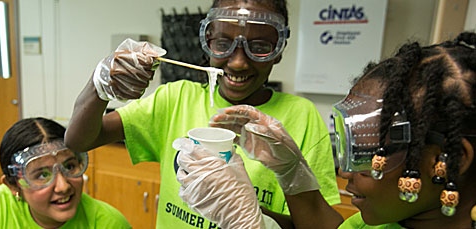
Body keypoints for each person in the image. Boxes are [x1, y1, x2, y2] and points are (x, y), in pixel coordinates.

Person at [65, 0, 341, 228]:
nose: (238, 61)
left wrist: (250, 218)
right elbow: (78, 141)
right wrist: (99, 84)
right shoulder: (174, 99)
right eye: (223, 43)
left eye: (259, 48)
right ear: (207, 40)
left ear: (278, 50)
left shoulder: (300, 116)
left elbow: (318, 224)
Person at [175, 31, 476, 228]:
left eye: (370, 156)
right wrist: (293, 174)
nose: (345, 173)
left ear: (450, 160)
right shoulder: (372, 222)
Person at [0, 118, 131, 228]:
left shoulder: (109, 223)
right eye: (42, 175)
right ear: (13, 185)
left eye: (70, 166)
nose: (63, 186)